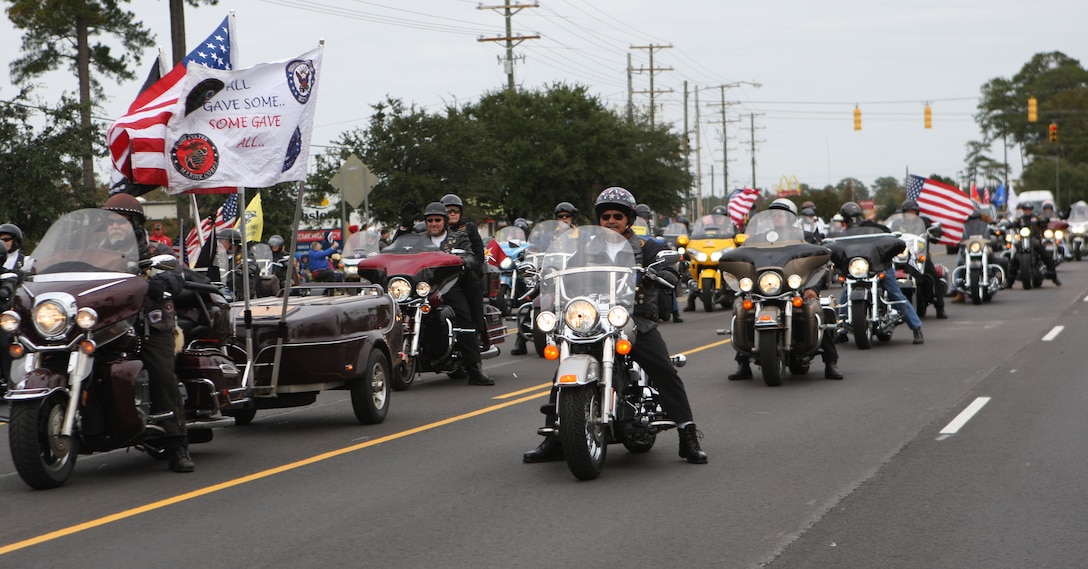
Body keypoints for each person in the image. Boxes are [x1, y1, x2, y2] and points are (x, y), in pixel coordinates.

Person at [524, 186, 707, 464]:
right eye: (606, 216)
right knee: (565, 364)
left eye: (617, 216)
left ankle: (687, 433)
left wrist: (665, 271)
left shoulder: (648, 247)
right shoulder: (586, 248)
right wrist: (547, 275)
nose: (611, 221)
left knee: (663, 369)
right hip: (592, 317)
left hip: (634, 318)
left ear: (629, 220)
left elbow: (669, 268)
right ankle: (556, 437)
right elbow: (565, 273)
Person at [101, 193, 194, 473]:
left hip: (149, 321)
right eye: (112, 222)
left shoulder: (155, 252)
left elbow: (175, 275)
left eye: (124, 221)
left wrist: (161, 282)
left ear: (138, 224)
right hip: (107, 323)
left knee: (161, 371)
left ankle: (178, 443)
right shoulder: (93, 255)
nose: (116, 226)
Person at [727, 198, 842, 380]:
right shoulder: (759, 238)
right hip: (766, 286)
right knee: (742, 310)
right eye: (774, 214)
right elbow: (746, 256)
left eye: (781, 213)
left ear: (791, 217)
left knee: (818, 310)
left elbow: (819, 265)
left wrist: (812, 287)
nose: (777, 217)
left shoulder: (806, 237)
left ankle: (831, 362)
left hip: (797, 286)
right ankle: (743, 363)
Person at [421, 202, 495, 386]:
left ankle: (475, 370)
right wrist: (403, 228)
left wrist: (465, 260)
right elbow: (399, 249)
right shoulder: (419, 240)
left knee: (464, 319)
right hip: (422, 287)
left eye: (438, 220)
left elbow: (471, 255)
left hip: (449, 284)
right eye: (430, 220)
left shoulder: (458, 237)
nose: (434, 224)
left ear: (445, 221)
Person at [834, 201, 925, 345]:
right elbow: (837, 248)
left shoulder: (875, 228)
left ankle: (916, 327)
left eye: (854, 217)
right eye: (851, 217)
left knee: (895, 293)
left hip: (879, 266)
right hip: (859, 269)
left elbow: (889, 237)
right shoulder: (843, 235)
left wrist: (891, 243)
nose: (854, 220)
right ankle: (841, 330)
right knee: (846, 294)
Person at [442, 193, 491, 354]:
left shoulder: (468, 228)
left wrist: (469, 265)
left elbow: (478, 254)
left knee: (473, 284)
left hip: (463, 274)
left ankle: (475, 331)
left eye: (455, 210)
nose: (453, 214)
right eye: (449, 211)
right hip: (439, 276)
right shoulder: (434, 230)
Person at [899, 199, 948, 319]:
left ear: (917, 212)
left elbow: (934, 233)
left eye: (913, 211)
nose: (910, 214)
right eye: (908, 211)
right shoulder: (898, 223)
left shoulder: (924, 222)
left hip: (920, 256)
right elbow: (889, 233)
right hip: (902, 257)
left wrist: (934, 234)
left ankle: (940, 308)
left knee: (933, 275)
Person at [1010, 202, 1060, 286]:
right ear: (1023, 210)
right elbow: (1013, 223)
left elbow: (1043, 220)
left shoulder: (1036, 217)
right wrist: (1008, 224)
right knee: (1014, 258)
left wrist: (1044, 220)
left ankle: (1054, 277)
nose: (1027, 211)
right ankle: (1009, 281)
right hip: (1022, 241)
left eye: (1029, 209)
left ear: (1032, 210)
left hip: (1035, 240)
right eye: (1026, 209)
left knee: (1046, 256)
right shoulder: (1019, 219)